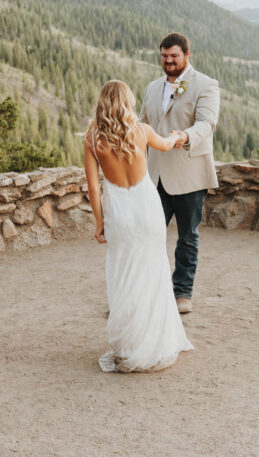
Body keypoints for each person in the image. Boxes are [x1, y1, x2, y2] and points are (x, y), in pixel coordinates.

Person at [84, 79, 193, 373]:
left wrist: (99, 222)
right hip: (146, 208)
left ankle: (130, 343)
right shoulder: (142, 131)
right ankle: (154, 341)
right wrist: (178, 136)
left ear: (102, 104)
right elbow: (169, 145)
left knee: (124, 273)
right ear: (128, 101)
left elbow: (94, 189)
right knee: (153, 270)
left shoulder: (93, 140)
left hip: (118, 212)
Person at [139, 32, 220, 315]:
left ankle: (182, 293)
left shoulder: (206, 85)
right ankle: (148, 291)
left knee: (187, 236)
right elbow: (143, 124)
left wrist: (184, 137)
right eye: (164, 56)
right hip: (154, 175)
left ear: (187, 54)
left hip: (189, 173)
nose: (169, 61)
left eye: (174, 56)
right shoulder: (151, 88)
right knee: (148, 235)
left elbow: (207, 123)